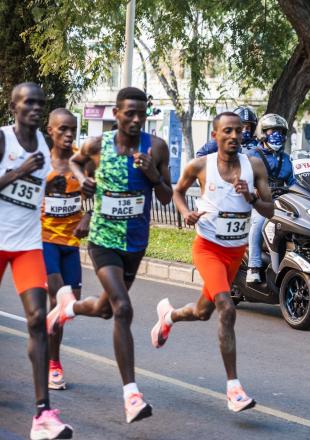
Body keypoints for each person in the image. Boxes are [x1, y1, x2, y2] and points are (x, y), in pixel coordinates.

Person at [46, 87, 173, 424]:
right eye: (128, 113)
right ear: (115, 114)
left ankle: (67, 307)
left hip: (135, 242)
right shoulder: (98, 145)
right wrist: (83, 178)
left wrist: (153, 175)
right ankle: (131, 395)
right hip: (103, 239)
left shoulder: (156, 147)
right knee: (122, 308)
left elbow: (165, 197)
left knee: (104, 309)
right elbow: (75, 161)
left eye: (140, 114)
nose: (134, 119)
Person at [150, 112, 273, 413]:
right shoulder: (200, 166)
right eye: (227, 131)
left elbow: (269, 210)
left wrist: (253, 199)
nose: (234, 136)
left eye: (239, 131)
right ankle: (234, 389)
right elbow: (177, 192)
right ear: (216, 135)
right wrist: (185, 213)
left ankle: (169, 317)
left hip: (235, 251)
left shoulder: (254, 166)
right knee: (226, 308)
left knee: (204, 312)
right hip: (208, 248)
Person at [0, 83, 73, 439]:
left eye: (40, 104)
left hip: (28, 244)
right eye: (28, 102)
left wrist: (60, 189)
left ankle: (43, 414)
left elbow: (37, 191)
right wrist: (19, 170)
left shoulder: (44, 145)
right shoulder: (3, 140)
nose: (35, 108)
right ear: (14, 106)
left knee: (36, 318)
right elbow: (17, 179)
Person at [41, 109, 91, 391]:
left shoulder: (81, 160)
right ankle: (53, 364)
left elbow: (99, 191)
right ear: (51, 131)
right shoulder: (41, 162)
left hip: (71, 243)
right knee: (59, 299)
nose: (69, 134)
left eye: (73, 129)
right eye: (63, 129)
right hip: (44, 240)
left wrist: (88, 216)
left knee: (72, 305)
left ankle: (42, 329)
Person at [245, 113, 296, 283]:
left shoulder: (287, 159)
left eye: (281, 132)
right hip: (259, 203)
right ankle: (253, 267)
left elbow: (294, 182)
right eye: (272, 131)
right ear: (262, 132)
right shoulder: (252, 154)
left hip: (282, 203)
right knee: (259, 222)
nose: (277, 135)